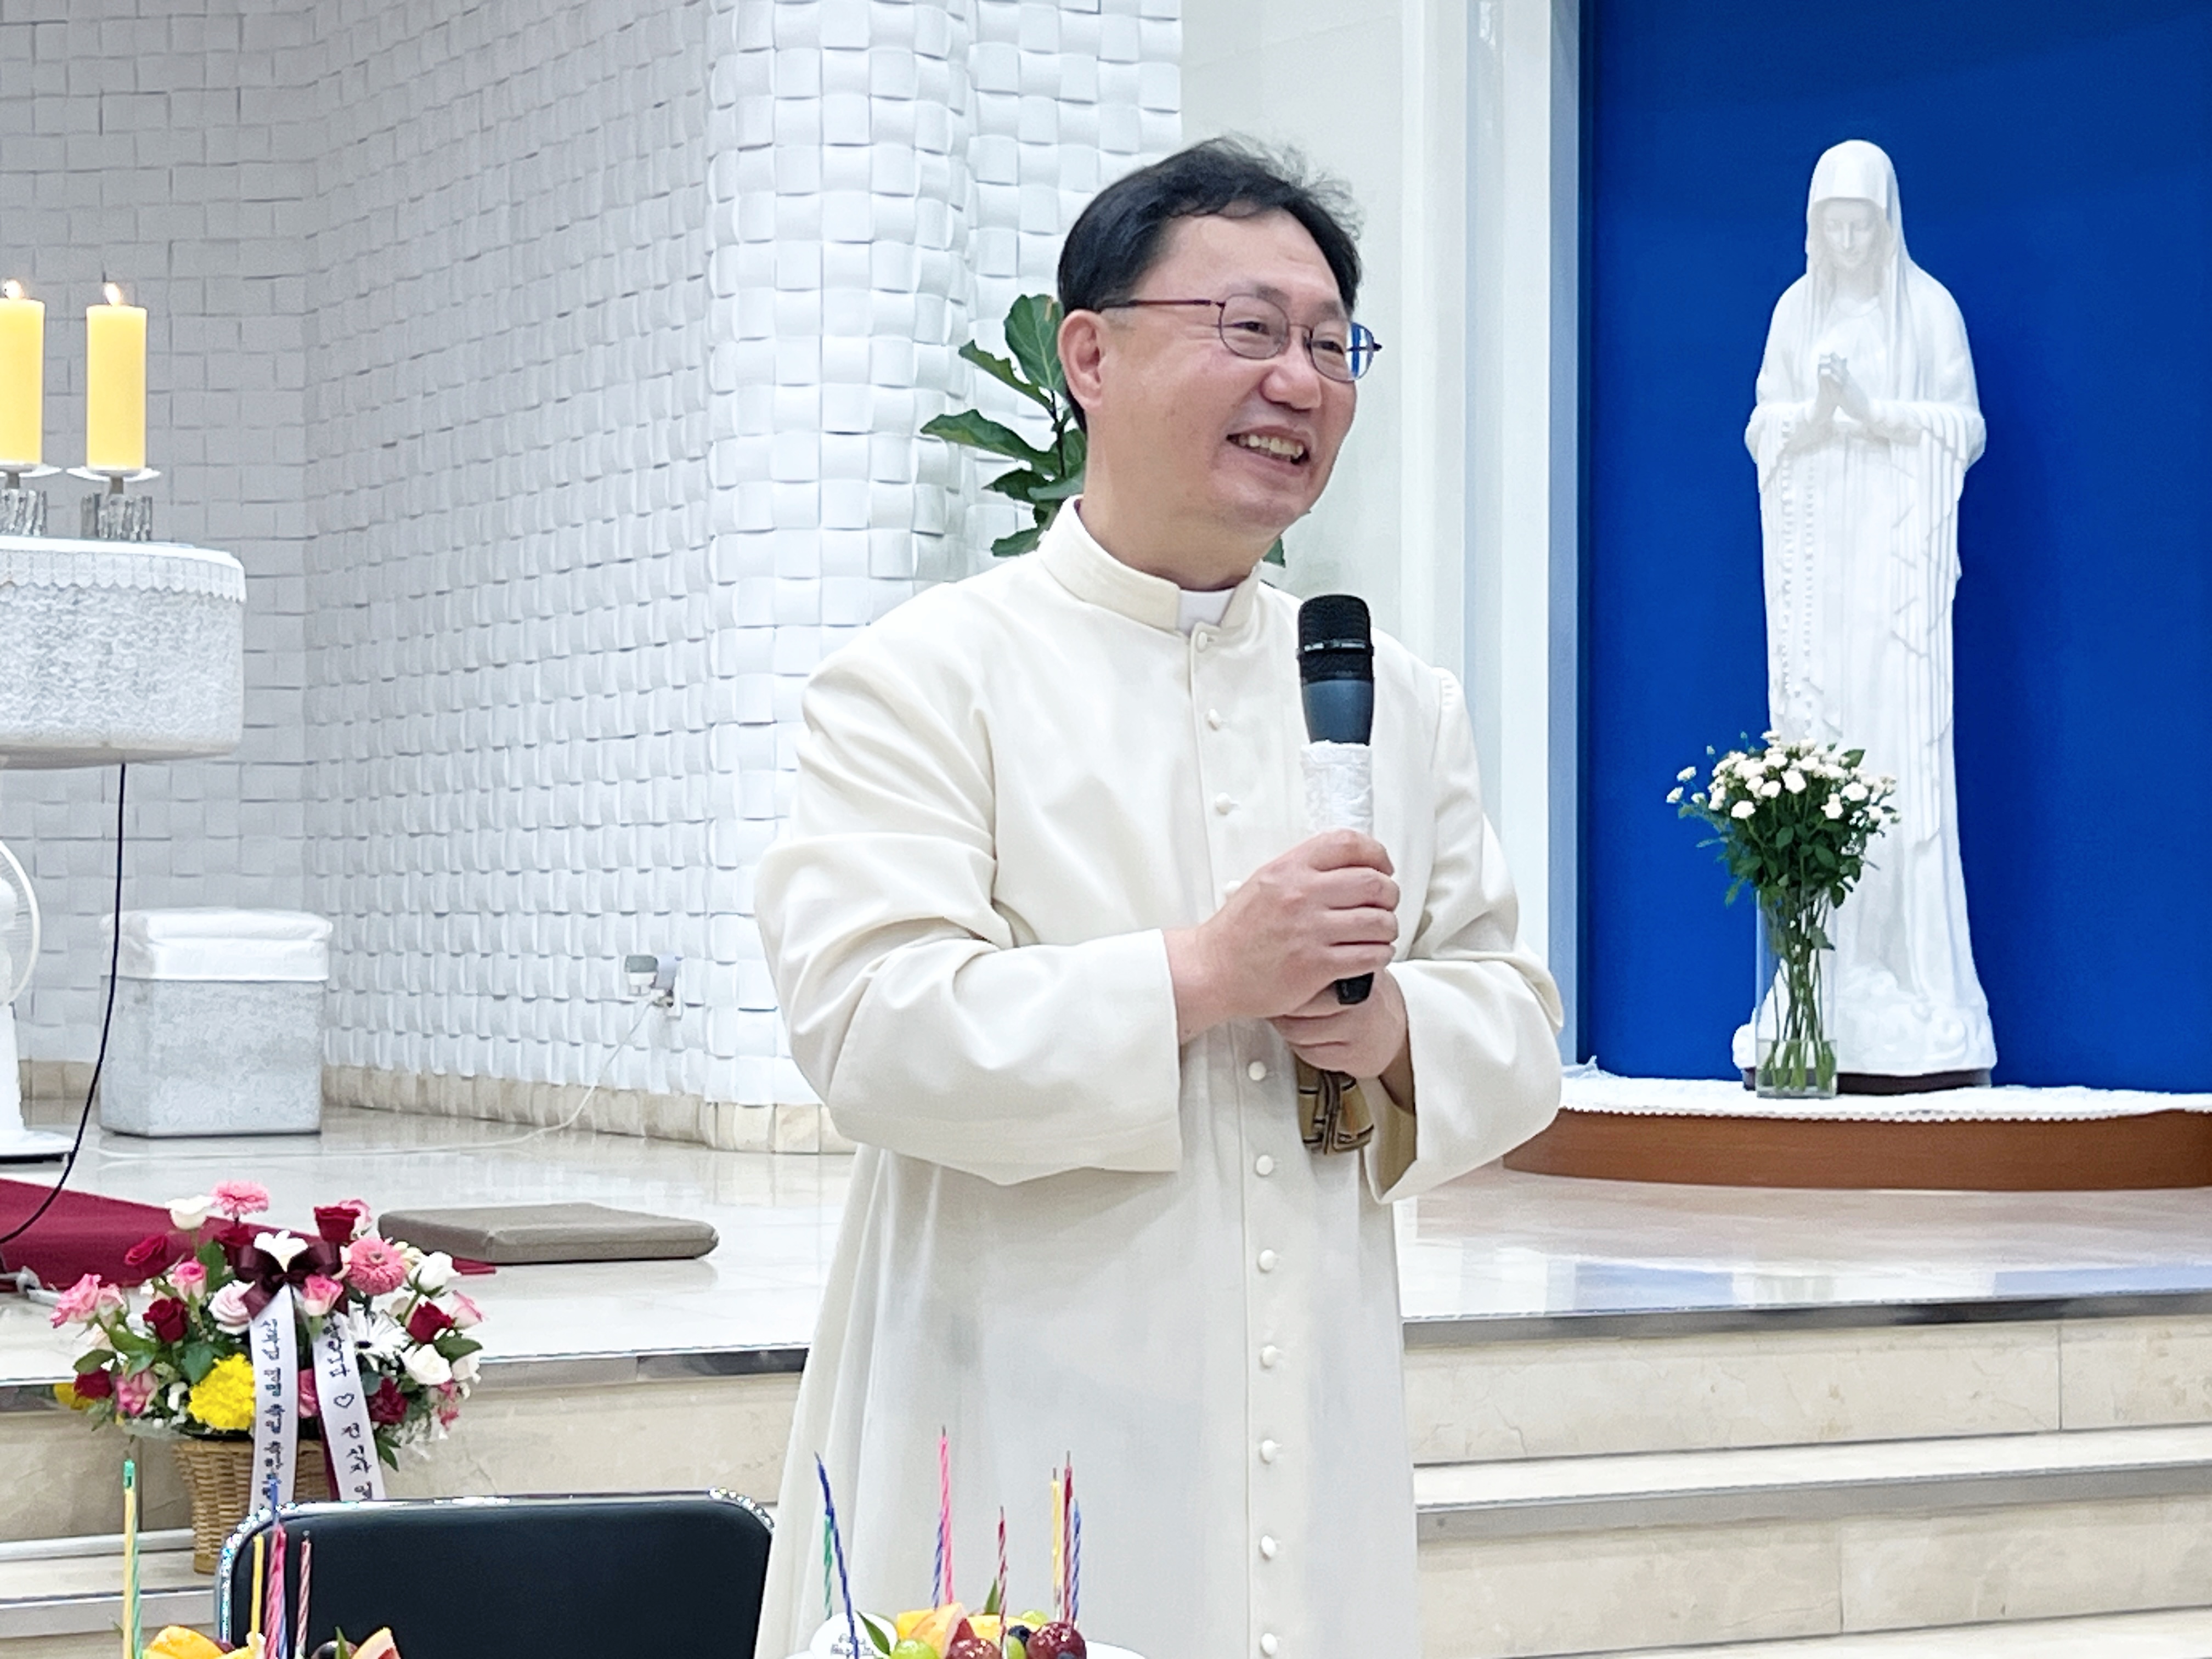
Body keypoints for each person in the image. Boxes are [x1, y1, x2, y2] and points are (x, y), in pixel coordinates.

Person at [752, 139, 1563, 1659]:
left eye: (1332, 343)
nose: (1300, 382)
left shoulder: (1399, 700)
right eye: (1248, 329)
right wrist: (1205, 973)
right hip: (1010, 1403)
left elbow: (1514, 1021)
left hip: (1312, 1416)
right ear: (1091, 355)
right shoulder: (927, 678)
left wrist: (1392, 1030)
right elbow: (867, 1027)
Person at [1743, 139, 1995, 1084]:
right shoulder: (1792, 313)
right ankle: (1819, 982)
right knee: (1820, 742)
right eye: (1834, 227)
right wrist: (1818, 412)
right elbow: (1765, 431)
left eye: (1862, 226)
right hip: (1821, 573)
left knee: (1894, 758)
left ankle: (1910, 977)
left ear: (1887, 225)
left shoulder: (1928, 313)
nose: (1848, 243)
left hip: (1893, 579)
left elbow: (1963, 429)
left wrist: (1873, 410)